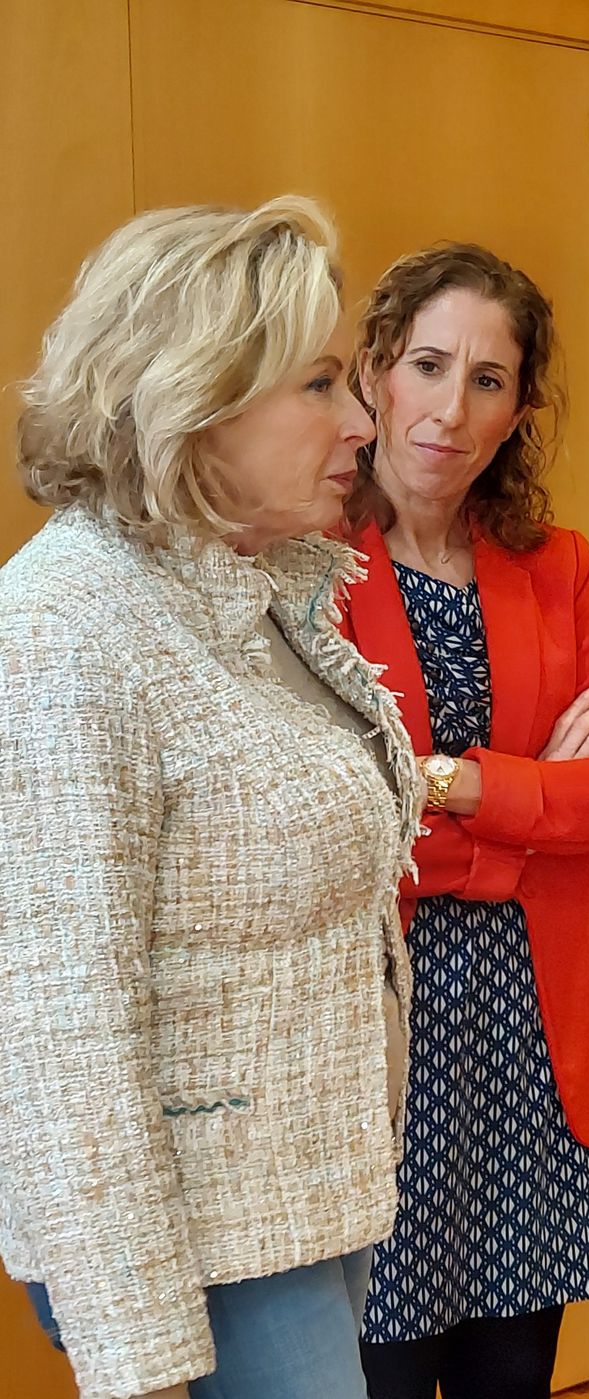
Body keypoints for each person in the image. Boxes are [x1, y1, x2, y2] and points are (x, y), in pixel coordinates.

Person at [0, 198, 423, 1399]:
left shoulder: (256, 582)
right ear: (193, 397)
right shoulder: (64, 628)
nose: (362, 423)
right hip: (191, 1229)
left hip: (299, 1189)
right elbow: (55, 1033)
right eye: (323, 384)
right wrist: (135, 1358)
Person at [340, 243, 589, 1399]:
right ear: (376, 370)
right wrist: (537, 795)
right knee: (373, 1374)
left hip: (529, 1049)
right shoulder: (303, 568)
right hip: (373, 1050)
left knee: (510, 1381)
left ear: (520, 406)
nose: (451, 407)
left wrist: (459, 784)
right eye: (428, 364)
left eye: (489, 378)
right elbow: (343, 821)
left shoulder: (554, 566)